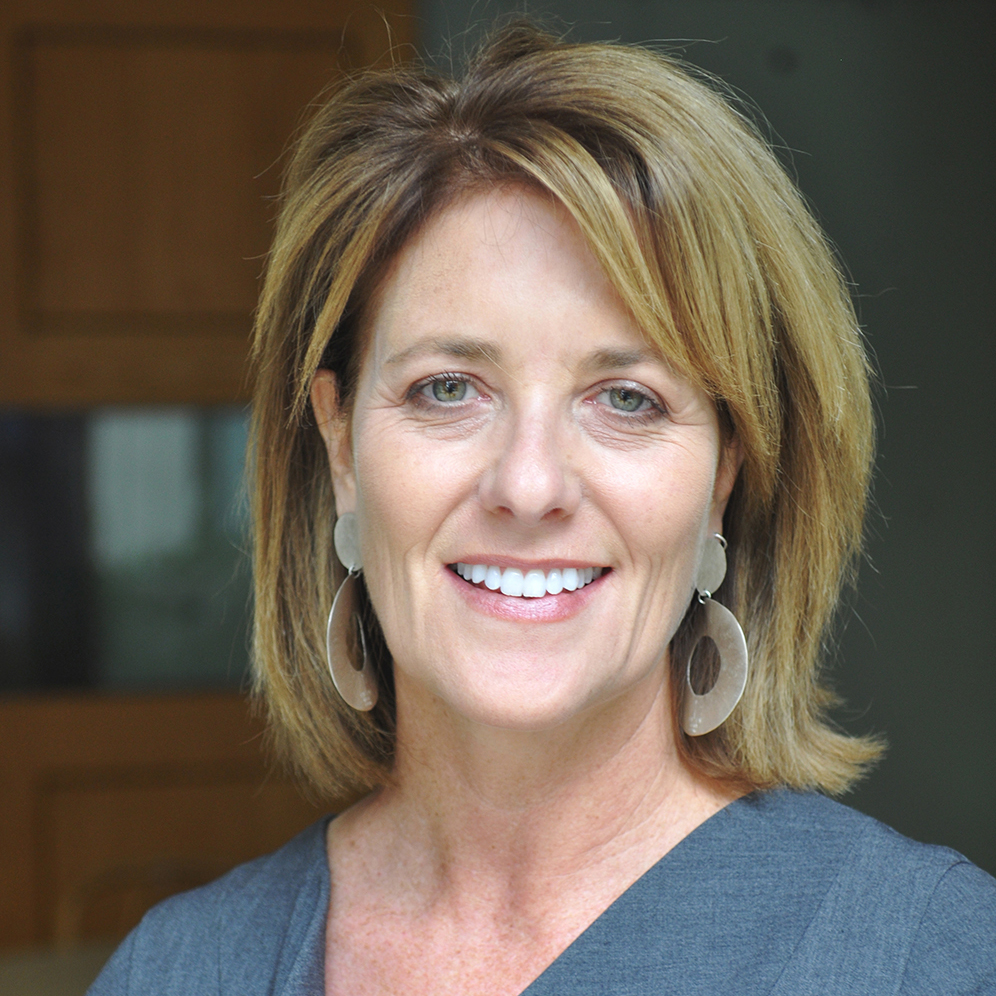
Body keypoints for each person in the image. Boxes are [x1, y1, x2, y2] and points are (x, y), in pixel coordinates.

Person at [89, 21, 996, 996]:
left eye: (627, 400)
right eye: (448, 388)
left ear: (725, 475)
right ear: (341, 448)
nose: (528, 486)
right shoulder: (177, 971)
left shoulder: (929, 955)